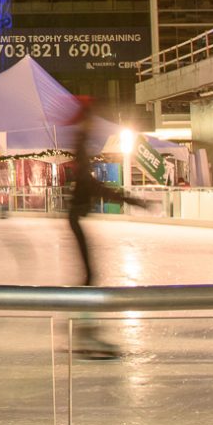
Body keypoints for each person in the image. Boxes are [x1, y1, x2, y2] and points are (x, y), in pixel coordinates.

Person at [64, 112, 142, 361]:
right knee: (89, 276)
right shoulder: (82, 148)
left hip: (76, 217)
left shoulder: (81, 146)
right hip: (75, 217)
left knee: (89, 276)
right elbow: (93, 186)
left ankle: (82, 329)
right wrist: (129, 199)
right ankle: (84, 332)